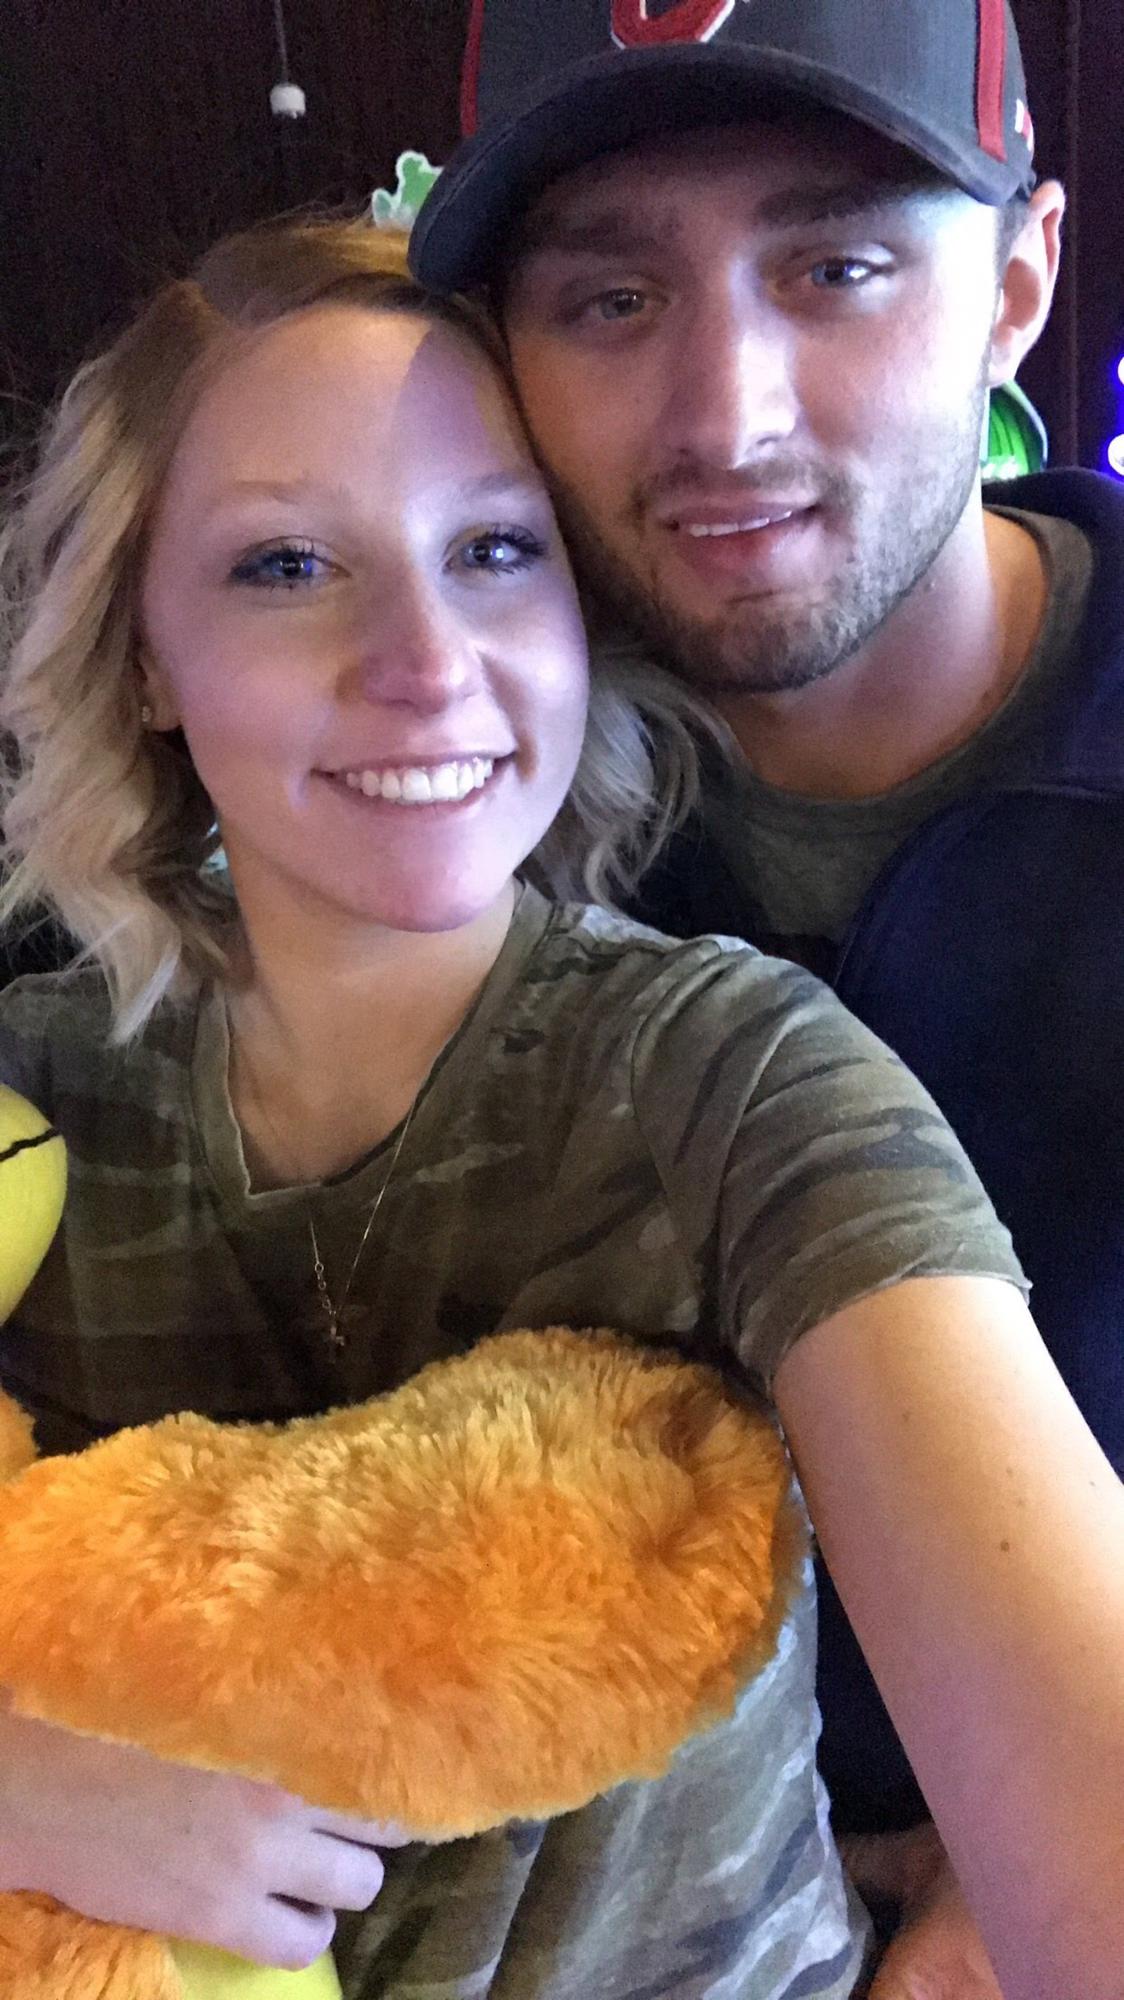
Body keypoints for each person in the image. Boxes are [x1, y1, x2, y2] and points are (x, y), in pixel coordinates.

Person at [0, 219, 1121, 2000]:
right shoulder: (31, 1102)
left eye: (494, 550)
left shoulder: (736, 1080)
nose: (426, 661)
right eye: (288, 564)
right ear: (142, 650)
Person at [409, 0, 1124, 1987]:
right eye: (612, 299)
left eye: (835, 269)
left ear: (1016, 285)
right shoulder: (413, 805)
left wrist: (1014, 1869)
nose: (724, 415)